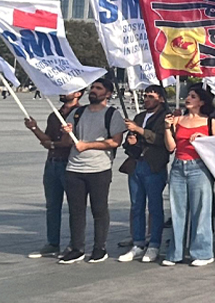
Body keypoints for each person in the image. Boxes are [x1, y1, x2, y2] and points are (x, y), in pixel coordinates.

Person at [54, 77, 126, 264]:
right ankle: (77, 247)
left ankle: (99, 248)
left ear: (108, 94)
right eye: (93, 87)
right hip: (74, 167)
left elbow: (115, 141)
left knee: (99, 209)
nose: (93, 90)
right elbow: (70, 141)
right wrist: (67, 131)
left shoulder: (112, 114)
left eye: (99, 88)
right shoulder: (78, 113)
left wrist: (89, 146)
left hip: (99, 168)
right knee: (76, 210)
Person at [161, 85, 215, 267]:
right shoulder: (178, 120)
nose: (188, 98)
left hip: (199, 167)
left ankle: (202, 253)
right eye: (188, 95)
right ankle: (175, 252)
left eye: (193, 96)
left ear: (201, 102)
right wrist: (166, 128)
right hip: (179, 166)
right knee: (177, 211)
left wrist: (204, 140)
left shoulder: (210, 122)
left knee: (201, 210)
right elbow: (171, 147)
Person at [23, 89, 83, 259]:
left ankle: (74, 244)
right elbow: (46, 139)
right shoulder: (54, 115)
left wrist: (53, 145)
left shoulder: (80, 114)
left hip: (70, 165)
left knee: (74, 207)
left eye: (68, 91)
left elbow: (68, 142)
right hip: (52, 164)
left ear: (78, 94)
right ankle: (52, 243)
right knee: (52, 206)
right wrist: (34, 128)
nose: (63, 93)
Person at [118, 85, 171, 263]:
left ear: (161, 99)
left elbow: (160, 139)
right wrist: (131, 141)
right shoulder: (140, 116)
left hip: (153, 165)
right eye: (145, 96)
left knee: (155, 207)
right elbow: (130, 140)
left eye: (151, 96)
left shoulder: (165, 117)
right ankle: (138, 242)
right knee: (136, 205)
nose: (146, 99)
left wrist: (139, 131)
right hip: (136, 165)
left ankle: (154, 243)